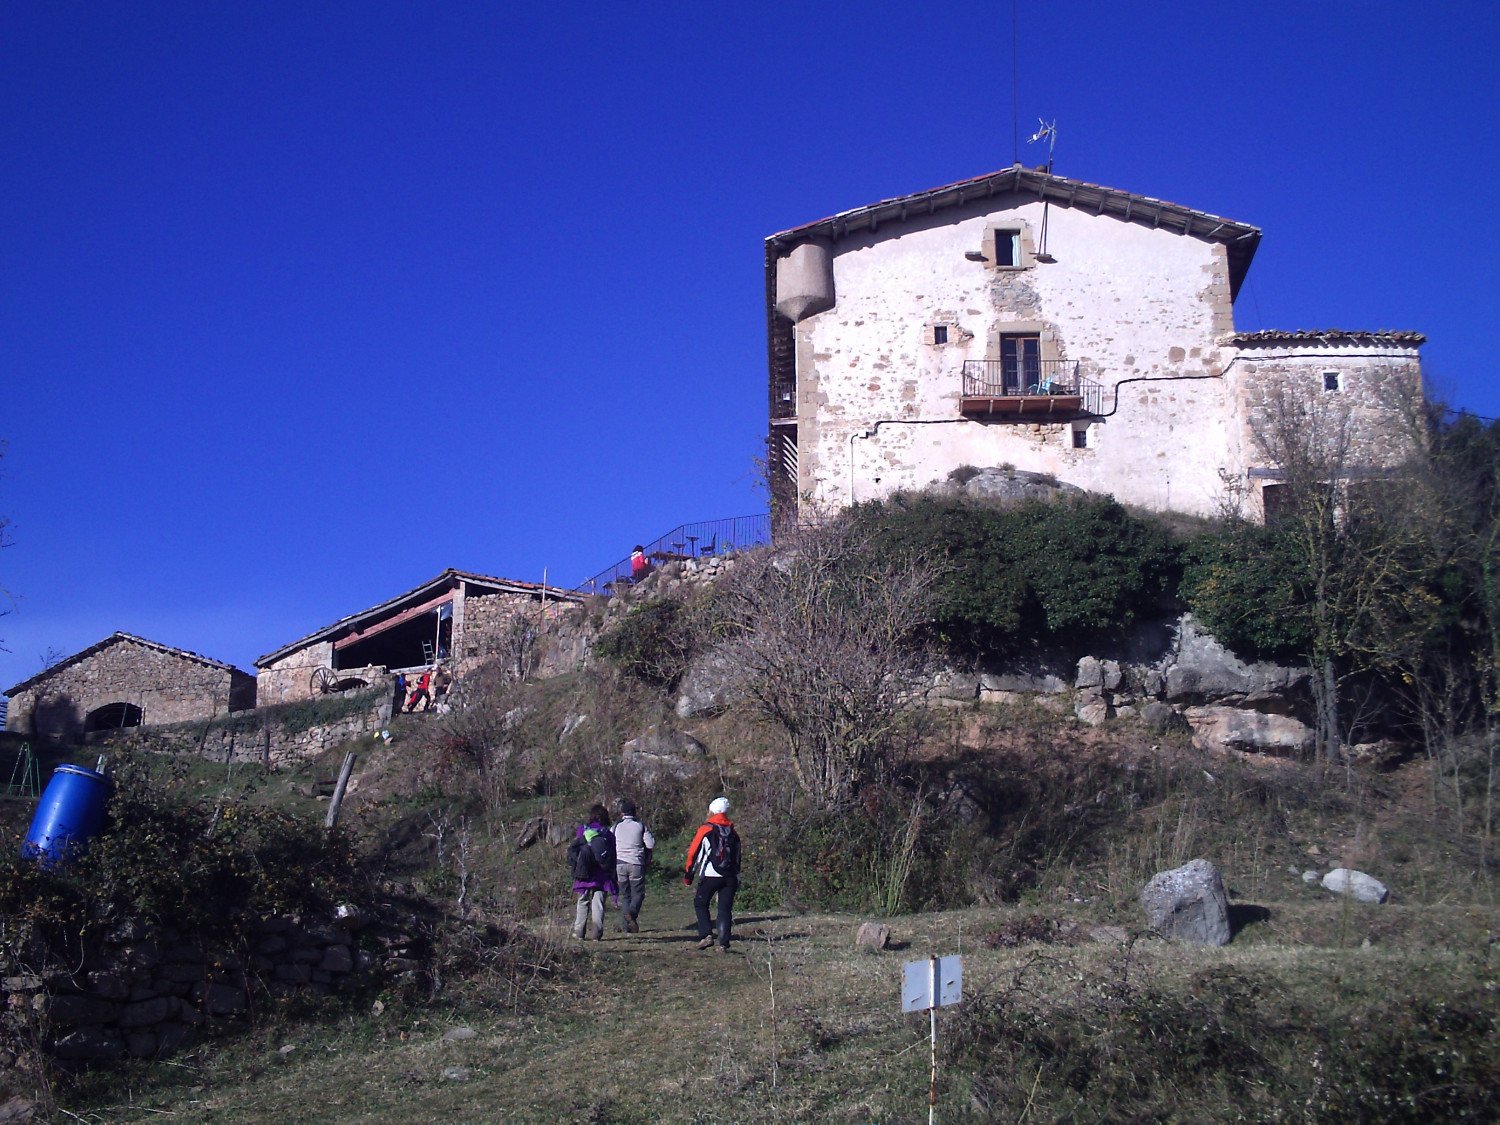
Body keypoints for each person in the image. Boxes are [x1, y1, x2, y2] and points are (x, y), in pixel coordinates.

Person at [683, 796, 741, 953]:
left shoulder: (706, 829)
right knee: (724, 909)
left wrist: (689, 875)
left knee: (700, 903)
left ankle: (706, 935)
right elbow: (737, 856)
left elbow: (694, 853)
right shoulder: (733, 831)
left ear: (712, 811)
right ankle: (723, 944)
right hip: (730, 876)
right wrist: (737, 876)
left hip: (710, 874)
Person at [570, 804, 618, 941]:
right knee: (598, 903)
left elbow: (576, 850)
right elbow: (612, 855)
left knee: (582, 900)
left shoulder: (582, 830)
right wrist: (612, 873)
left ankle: (579, 932)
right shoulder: (608, 834)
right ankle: (597, 933)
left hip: (584, 872)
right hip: (602, 874)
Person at [613, 799, 656, 933]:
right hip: (636, 863)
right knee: (638, 893)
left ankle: (627, 927)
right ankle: (631, 913)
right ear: (634, 812)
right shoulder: (640, 825)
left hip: (619, 864)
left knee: (626, 895)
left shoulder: (616, 827)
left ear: (622, 813)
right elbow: (651, 844)